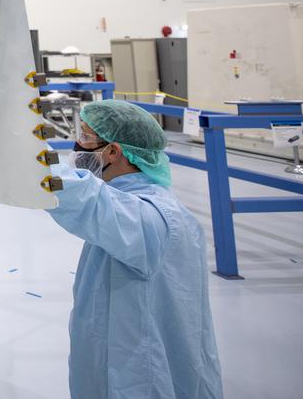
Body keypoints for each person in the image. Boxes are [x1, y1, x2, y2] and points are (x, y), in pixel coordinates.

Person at [47, 99, 223, 399]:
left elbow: (82, 198)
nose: (78, 146)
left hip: (141, 378)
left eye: (87, 137)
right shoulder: (131, 199)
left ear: (113, 151)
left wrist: (26, 166)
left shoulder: (151, 216)